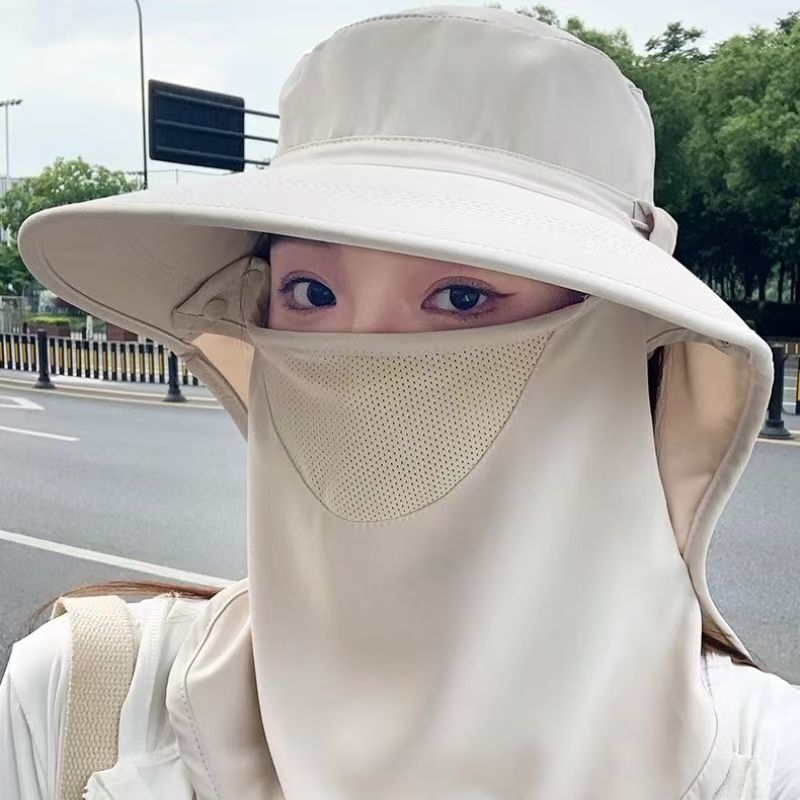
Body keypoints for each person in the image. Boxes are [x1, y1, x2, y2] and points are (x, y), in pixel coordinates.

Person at [1, 4, 799, 799]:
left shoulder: (765, 766)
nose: (363, 357)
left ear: (613, 347)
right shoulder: (80, 701)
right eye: (311, 292)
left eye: (462, 296)